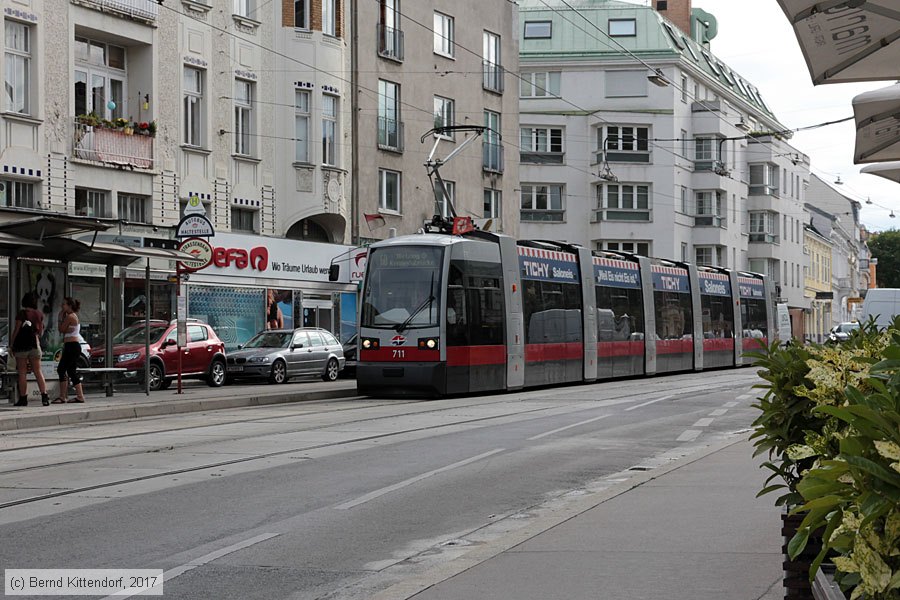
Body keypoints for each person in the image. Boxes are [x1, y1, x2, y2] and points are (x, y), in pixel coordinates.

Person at [11, 292, 49, 407]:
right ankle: (44, 397)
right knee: (38, 371)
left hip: (22, 346)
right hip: (35, 345)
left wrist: (12, 344)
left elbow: (16, 330)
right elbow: (41, 332)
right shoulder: (39, 314)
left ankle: (23, 398)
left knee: (22, 373)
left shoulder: (22, 314)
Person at [55, 297, 85, 404]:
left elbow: (61, 329)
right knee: (71, 370)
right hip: (71, 345)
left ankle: (63, 396)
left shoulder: (70, 317)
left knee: (62, 369)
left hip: (72, 346)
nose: (62, 307)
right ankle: (78, 396)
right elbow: (65, 330)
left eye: (64, 304)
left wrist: (59, 318)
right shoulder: (72, 316)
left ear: (69, 306)